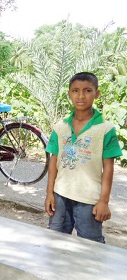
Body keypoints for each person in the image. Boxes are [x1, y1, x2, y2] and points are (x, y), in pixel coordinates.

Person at [44, 72, 122, 243]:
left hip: (89, 199)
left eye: (87, 91)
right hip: (60, 196)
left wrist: (104, 201)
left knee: (91, 246)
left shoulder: (105, 129)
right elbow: (53, 162)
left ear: (97, 93)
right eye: (75, 91)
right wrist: (49, 193)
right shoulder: (60, 127)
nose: (81, 96)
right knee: (55, 241)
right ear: (69, 94)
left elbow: (108, 167)